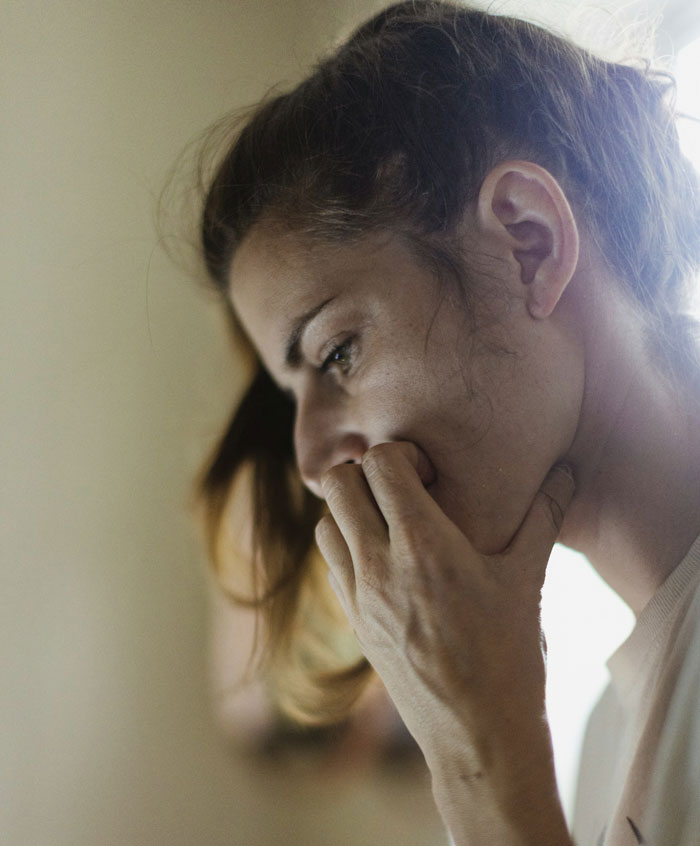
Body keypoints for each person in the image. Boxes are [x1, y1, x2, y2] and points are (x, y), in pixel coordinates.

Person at [192, 2, 700, 843]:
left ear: (527, 243)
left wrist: (478, 761)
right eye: (296, 397)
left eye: (337, 354)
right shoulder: (611, 733)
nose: (312, 457)